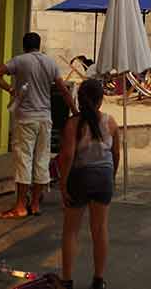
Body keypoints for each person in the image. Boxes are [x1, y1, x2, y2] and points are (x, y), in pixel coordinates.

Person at [0, 32, 77, 219]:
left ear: (24, 45)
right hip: (45, 118)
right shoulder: (50, 63)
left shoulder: (19, 61)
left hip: (25, 118)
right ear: (39, 45)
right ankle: (36, 203)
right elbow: (63, 90)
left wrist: (10, 89)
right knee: (42, 160)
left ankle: (20, 205)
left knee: (24, 159)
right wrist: (75, 112)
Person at [58, 79, 121, 289]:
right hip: (103, 177)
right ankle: (98, 279)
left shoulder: (73, 124)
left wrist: (63, 184)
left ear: (80, 99)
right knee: (100, 229)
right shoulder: (111, 123)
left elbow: (67, 156)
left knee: (71, 231)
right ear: (101, 100)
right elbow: (116, 154)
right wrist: (112, 177)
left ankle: (66, 280)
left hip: (80, 176)